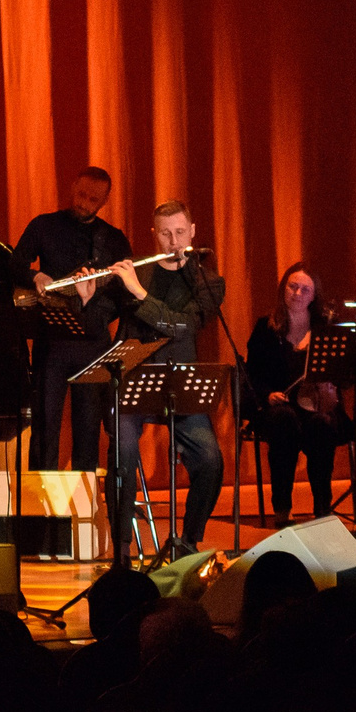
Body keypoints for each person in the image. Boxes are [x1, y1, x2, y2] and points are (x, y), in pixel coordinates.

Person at [105, 199, 225, 554]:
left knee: (210, 459)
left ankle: (188, 541)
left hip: (179, 384)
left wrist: (138, 294)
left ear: (192, 232)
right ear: (154, 235)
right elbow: (98, 315)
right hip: (130, 381)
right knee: (122, 454)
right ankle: (122, 548)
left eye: (179, 233)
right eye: (165, 234)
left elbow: (181, 326)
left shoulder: (208, 282)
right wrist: (84, 295)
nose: (173, 241)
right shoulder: (135, 273)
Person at [14, 167, 133, 471]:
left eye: (93, 199)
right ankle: (40, 504)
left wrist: (90, 301)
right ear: (72, 187)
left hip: (94, 343)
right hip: (52, 339)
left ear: (104, 201)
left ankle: (84, 505)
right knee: (45, 424)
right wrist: (35, 275)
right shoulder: (45, 225)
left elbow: (125, 296)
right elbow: (13, 265)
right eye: (81, 195)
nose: (84, 203)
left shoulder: (114, 240)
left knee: (88, 427)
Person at [245, 262, 351, 523]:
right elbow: (251, 376)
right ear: (284, 288)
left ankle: (322, 508)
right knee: (284, 421)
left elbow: (343, 375)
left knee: (322, 424)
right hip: (277, 408)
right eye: (293, 286)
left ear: (314, 295)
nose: (298, 293)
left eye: (306, 289)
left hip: (316, 405)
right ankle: (282, 507)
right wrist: (268, 394)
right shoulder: (265, 328)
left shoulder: (326, 328)